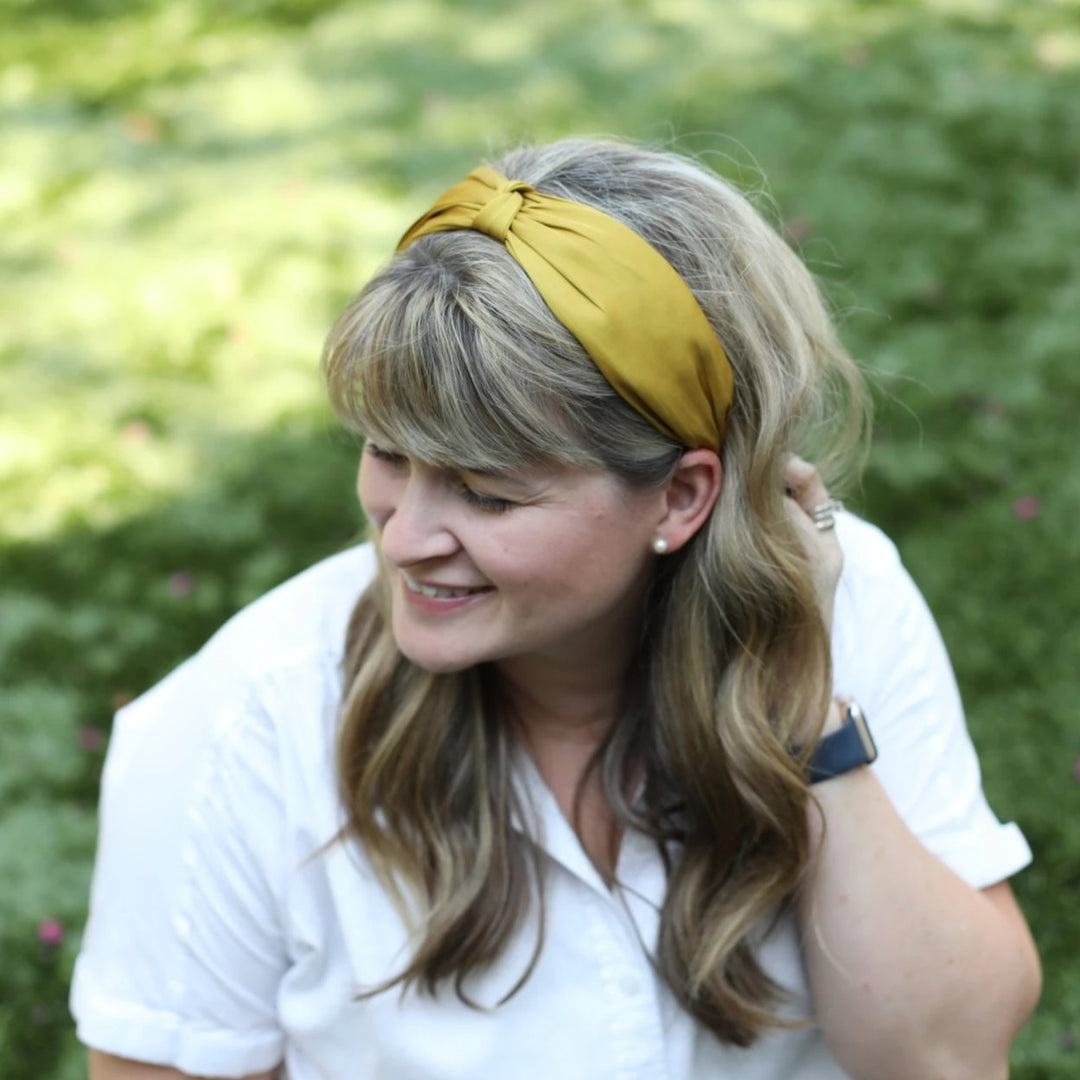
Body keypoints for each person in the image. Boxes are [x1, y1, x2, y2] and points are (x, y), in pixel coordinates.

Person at [72, 137, 1040, 1080]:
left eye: (487, 494)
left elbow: (950, 1060)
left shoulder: (841, 598)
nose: (403, 539)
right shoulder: (239, 723)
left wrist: (806, 714)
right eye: (387, 453)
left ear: (681, 497)